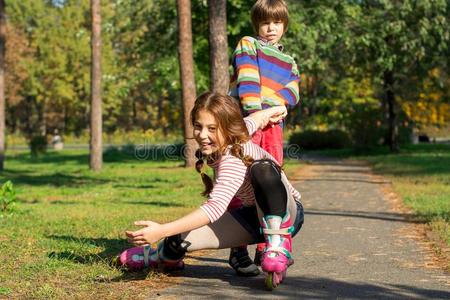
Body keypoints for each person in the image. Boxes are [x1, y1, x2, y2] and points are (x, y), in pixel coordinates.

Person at [119, 92, 304, 290]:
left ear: (227, 128)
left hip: (287, 213)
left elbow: (214, 208)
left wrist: (161, 229)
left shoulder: (232, 159)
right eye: (198, 126)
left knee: (263, 169)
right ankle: (161, 256)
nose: (203, 135)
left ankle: (278, 243)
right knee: (176, 240)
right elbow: (253, 121)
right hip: (253, 218)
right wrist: (272, 111)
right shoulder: (235, 133)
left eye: (212, 129)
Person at [228, 0, 301, 275]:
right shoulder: (249, 44)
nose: (271, 28)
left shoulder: (290, 61)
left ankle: (267, 244)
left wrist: (279, 106)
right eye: (265, 22)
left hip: (273, 128)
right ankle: (238, 250)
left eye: (277, 22)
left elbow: (293, 91)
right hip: (247, 123)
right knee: (241, 179)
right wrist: (255, 115)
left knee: (270, 179)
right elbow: (248, 82)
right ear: (257, 24)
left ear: (284, 24)